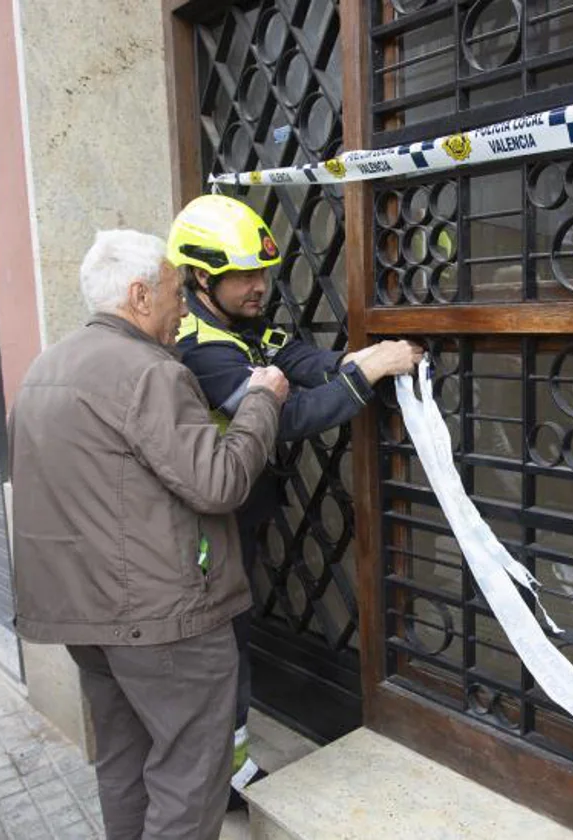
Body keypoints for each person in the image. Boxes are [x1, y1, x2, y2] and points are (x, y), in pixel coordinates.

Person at [9, 230, 290, 840]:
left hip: (85, 618)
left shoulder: (44, 369)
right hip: (164, 621)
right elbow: (218, 483)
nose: (183, 306)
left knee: (124, 762)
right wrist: (262, 402)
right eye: (172, 292)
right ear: (139, 296)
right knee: (191, 775)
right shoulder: (149, 373)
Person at [166, 194, 422, 806]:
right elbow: (287, 417)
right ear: (203, 278)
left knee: (234, 636)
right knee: (222, 646)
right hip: (209, 526)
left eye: (262, 273)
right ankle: (223, 776)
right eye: (244, 276)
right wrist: (367, 375)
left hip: (241, 514)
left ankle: (225, 766)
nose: (259, 287)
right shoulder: (199, 348)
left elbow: (296, 357)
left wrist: (350, 360)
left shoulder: (241, 325)